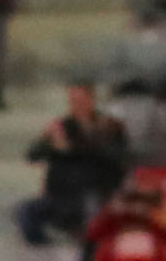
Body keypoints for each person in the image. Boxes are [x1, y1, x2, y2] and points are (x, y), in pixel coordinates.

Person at [18, 83, 127, 245]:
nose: (78, 106)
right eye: (73, 101)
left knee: (92, 209)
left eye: (81, 101)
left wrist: (69, 149)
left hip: (94, 192)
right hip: (60, 195)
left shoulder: (108, 126)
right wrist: (46, 141)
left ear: (91, 100)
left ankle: (89, 248)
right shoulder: (62, 127)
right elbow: (32, 155)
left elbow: (116, 157)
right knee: (26, 211)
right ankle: (44, 250)